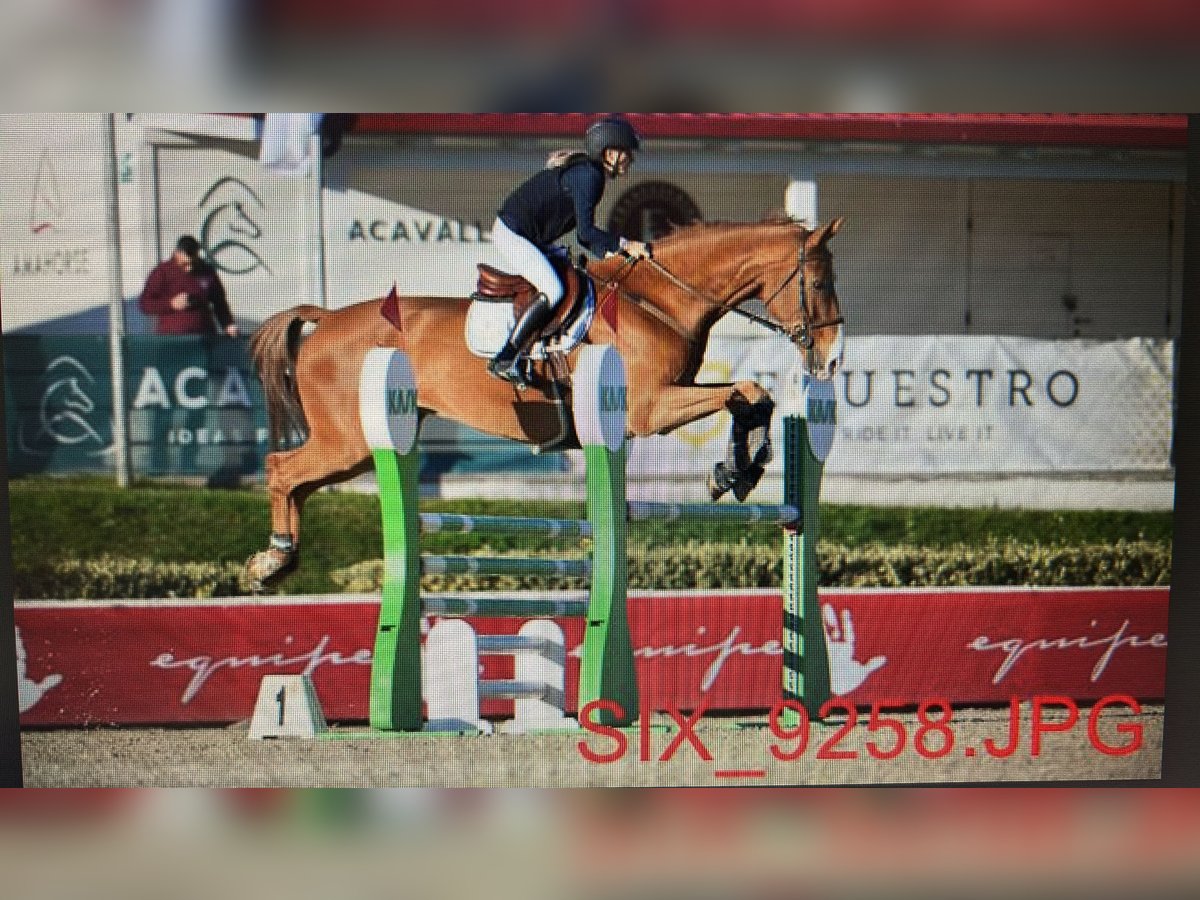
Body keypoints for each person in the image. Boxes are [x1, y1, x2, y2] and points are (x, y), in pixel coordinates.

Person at [487, 114, 652, 384]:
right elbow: (587, 233)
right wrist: (625, 244)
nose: (630, 160)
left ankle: (537, 350)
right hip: (513, 234)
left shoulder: (590, 174)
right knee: (554, 290)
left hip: (531, 237)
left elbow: (585, 238)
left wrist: (616, 258)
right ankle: (506, 357)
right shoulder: (589, 176)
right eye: (626, 153)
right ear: (609, 153)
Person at [138, 235, 238, 337]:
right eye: (184, 264)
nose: (189, 268)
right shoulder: (162, 271)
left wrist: (228, 324)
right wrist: (171, 304)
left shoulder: (206, 271)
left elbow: (219, 302)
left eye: (192, 263)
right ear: (177, 253)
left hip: (204, 336)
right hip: (172, 338)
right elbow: (145, 304)